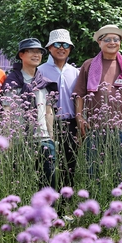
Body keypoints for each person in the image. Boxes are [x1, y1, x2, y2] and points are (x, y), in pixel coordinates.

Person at [73, 24, 122, 181]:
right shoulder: (89, 65)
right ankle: (95, 203)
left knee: (120, 171)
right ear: (99, 42)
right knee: (93, 171)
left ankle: (117, 203)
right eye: (107, 39)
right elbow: (80, 94)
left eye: (116, 39)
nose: (112, 42)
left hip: (121, 128)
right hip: (94, 127)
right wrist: (80, 118)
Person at [3, 38, 57, 190]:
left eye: (39, 52)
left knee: (49, 182)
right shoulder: (12, 81)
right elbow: (7, 111)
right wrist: (9, 139)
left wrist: (52, 137)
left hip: (44, 139)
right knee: (22, 183)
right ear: (21, 55)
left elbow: (48, 111)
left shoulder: (45, 82)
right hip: (21, 140)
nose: (36, 54)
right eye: (32, 51)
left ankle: (49, 213)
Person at [38, 29, 80, 188]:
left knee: (69, 166)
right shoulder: (40, 70)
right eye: (57, 44)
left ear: (69, 48)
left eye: (65, 45)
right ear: (49, 47)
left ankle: (65, 206)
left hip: (70, 124)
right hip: (47, 124)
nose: (61, 48)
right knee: (47, 166)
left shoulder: (75, 71)